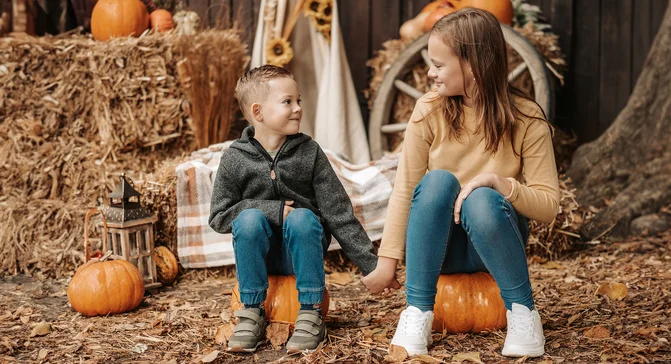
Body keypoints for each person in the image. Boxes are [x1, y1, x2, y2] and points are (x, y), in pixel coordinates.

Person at [362, 8, 561, 358]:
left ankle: (523, 312)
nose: (429, 72)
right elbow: (406, 190)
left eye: (439, 64)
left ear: (473, 65)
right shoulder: (429, 110)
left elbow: (549, 207)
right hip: (442, 249)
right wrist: (387, 261)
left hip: (496, 244)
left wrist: (501, 183)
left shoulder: (528, 118)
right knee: (437, 181)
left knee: (481, 197)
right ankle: (417, 312)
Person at [209, 65, 400, 354]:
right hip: (260, 258)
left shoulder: (309, 153)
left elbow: (338, 212)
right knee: (248, 219)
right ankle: (251, 313)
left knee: (301, 218)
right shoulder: (235, 159)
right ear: (258, 112)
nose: (298, 108)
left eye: (299, 101)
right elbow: (219, 216)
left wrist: (371, 266)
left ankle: (310, 313)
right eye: (288, 102)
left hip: (303, 253)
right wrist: (270, 210)